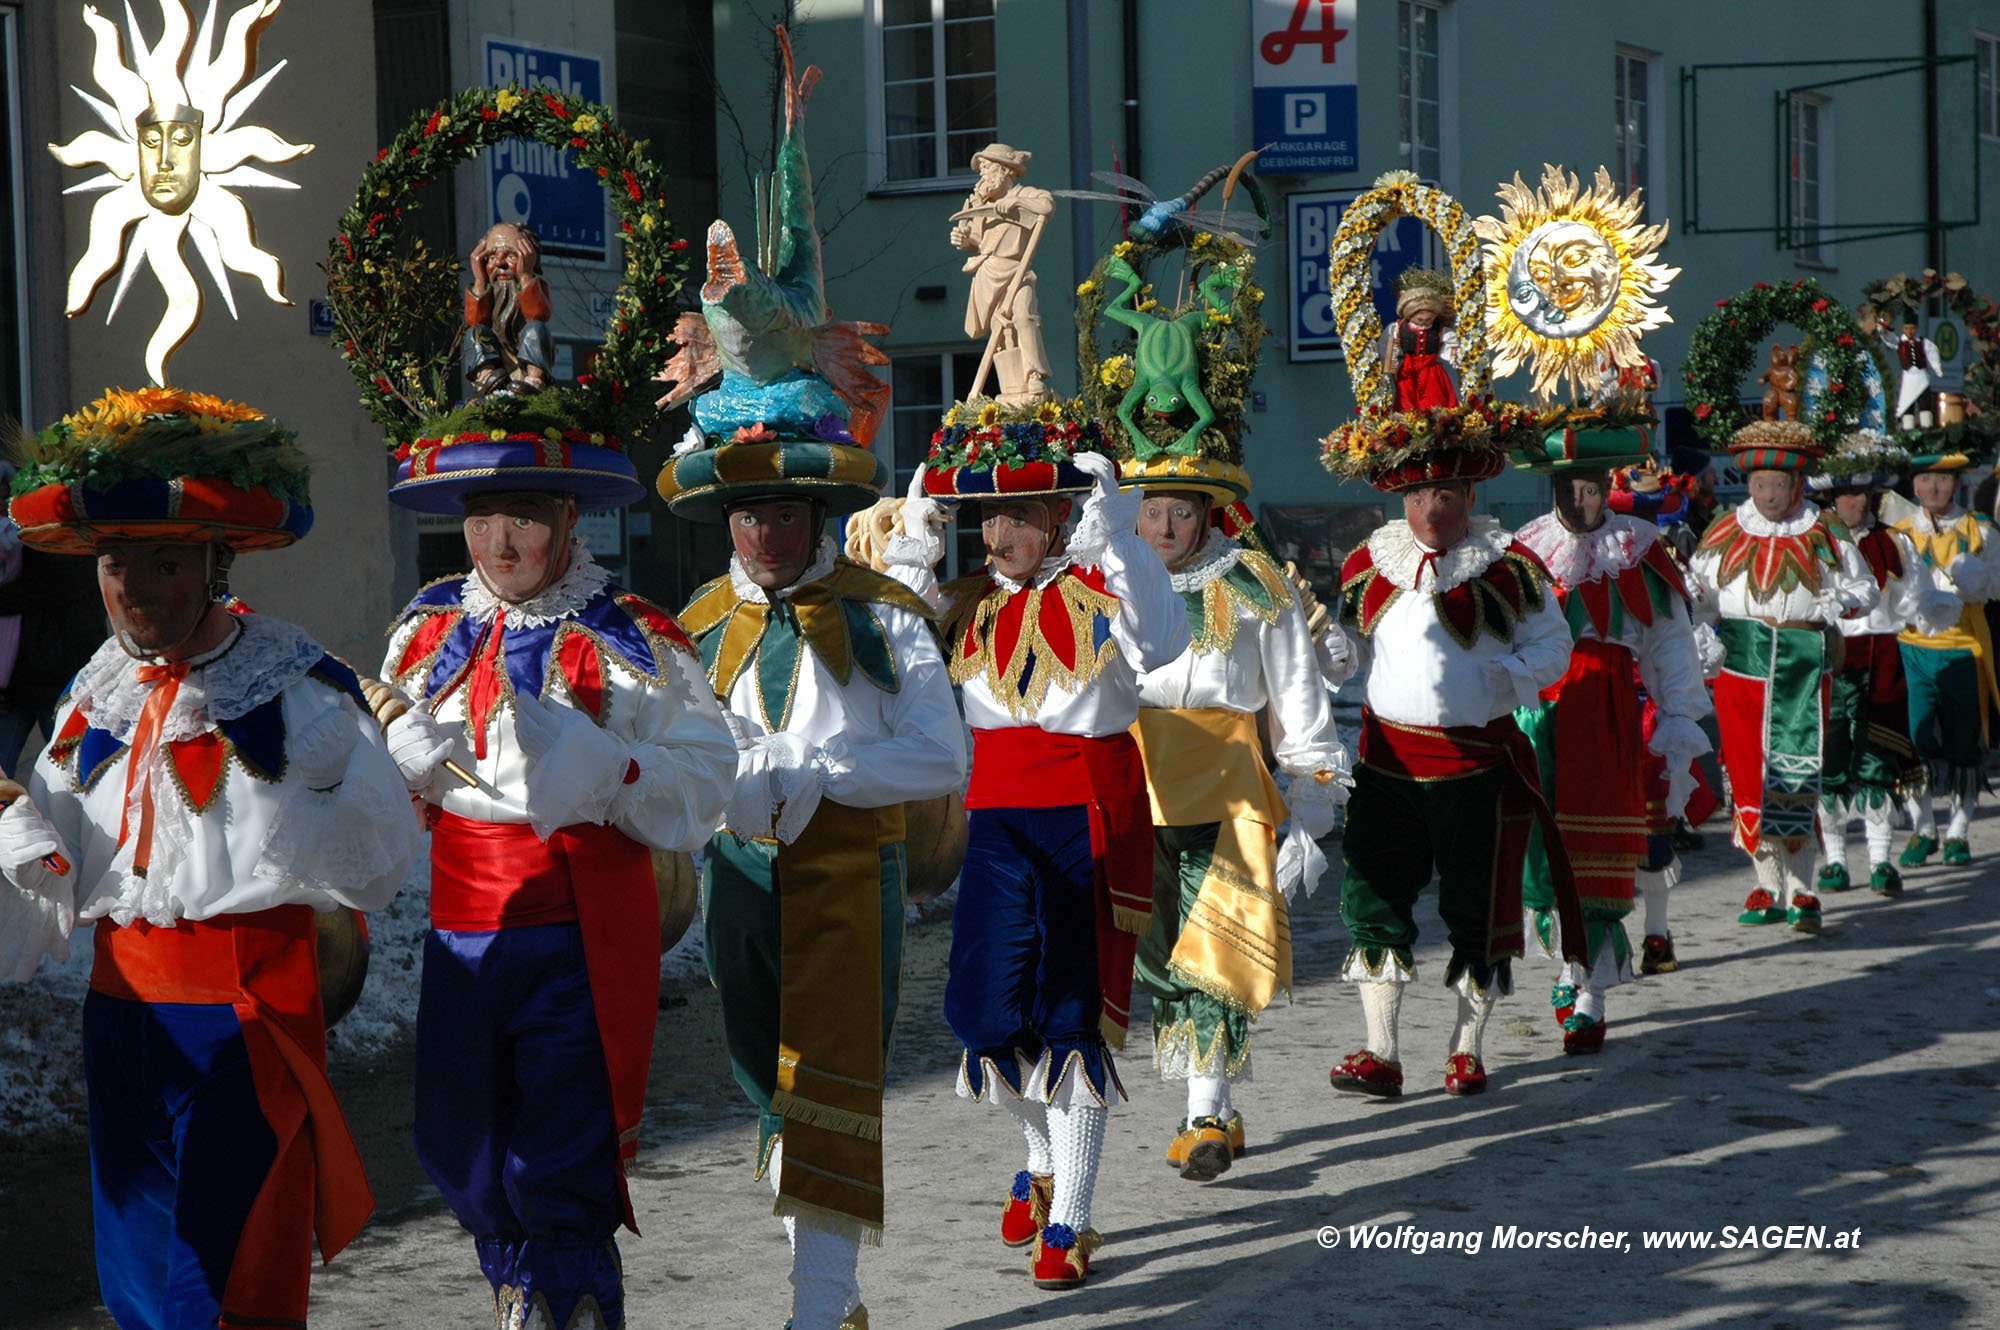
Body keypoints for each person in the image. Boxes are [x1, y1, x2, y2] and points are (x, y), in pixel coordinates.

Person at [0, 388, 422, 1330]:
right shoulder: (96, 686)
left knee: (224, 1285)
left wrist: (317, 792)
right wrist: (26, 836)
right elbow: (63, 853)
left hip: (240, 1018)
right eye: (115, 564)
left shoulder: (291, 683)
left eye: (163, 563)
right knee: (139, 1279)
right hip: (120, 1014)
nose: (134, 590)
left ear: (216, 562)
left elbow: (378, 863)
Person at [378, 430, 735, 1330]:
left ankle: (567, 1301)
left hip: (580, 925)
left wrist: (611, 771)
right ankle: (519, 1282)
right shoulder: (425, 629)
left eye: (525, 518)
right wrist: (392, 757)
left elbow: (706, 778)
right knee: (461, 1141)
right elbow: (356, 776)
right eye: (484, 517)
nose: (500, 543)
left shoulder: (635, 635)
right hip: (464, 925)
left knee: (562, 1150)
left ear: (570, 519)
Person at [659, 336, 966, 1328]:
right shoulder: (698, 620)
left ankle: (820, 1299)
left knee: (829, 1081)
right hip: (738, 875)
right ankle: (828, 1293)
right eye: (747, 513)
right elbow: (668, 751)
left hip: (847, 867)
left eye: (783, 511)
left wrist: (822, 772)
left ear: (818, 511)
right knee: (769, 1085)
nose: (764, 533)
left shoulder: (884, 617)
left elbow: (940, 758)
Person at [889, 438, 1188, 1289]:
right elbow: (895, 652)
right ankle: (1040, 1153)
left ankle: (1074, 1219)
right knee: (981, 1012)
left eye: (1018, 514)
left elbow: (1162, 645)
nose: (998, 533)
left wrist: (1121, 535)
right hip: (994, 821)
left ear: (1061, 518)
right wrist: (916, 540)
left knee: (1068, 1016)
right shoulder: (971, 603)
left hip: (1084, 817)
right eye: (988, 516)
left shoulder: (1104, 588)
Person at [1328, 443, 1577, 1099]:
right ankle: (1381, 1051)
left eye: (1443, 495)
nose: (1428, 509)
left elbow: (1557, 649)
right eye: (1415, 496)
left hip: (1477, 771)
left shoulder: (1512, 570)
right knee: (1374, 907)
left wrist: (1510, 677)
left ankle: (1467, 1048)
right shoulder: (1370, 563)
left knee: (1479, 913)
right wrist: (1326, 645)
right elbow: (1346, 653)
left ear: (1470, 497)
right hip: (1386, 768)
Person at [1125, 476, 1348, 1178]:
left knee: (1218, 952)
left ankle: (1206, 1113)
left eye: (1179, 513)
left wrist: (1310, 797)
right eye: (1150, 512)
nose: (1162, 529)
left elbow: (1298, 695)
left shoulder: (1255, 585)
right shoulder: (1107, 582)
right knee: (1158, 953)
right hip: (1137, 789)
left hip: (1227, 787)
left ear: (1207, 515)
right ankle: (1208, 1099)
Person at [1511, 436, 1711, 1053]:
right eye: (1570, 489)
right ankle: (1568, 967)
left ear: (1608, 488)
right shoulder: (1525, 551)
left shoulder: (1637, 551)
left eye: (1592, 488)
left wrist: (1677, 715)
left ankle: (1591, 992)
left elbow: (1671, 642)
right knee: (1542, 860)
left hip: (1605, 713)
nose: (1582, 500)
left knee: (1596, 857)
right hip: (1537, 714)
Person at [1687, 420, 1878, 931]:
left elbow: (1865, 587)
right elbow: (1699, 596)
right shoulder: (1725, 530)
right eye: (1761, 485)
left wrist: (1844, 600)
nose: (1771, 495)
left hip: (1802, 661)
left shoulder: (1823, 530)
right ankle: (1766, 883)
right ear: (1747, 485)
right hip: (1742, 664)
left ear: (1798, 485)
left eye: (1781, 485)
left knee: (1797, 771)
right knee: (1748, 774)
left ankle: (1802, 888)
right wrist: (1700, 635)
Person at [1807, 433, 1957, 895]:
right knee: (1829, 766)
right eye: (1849, 493)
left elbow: (1917, 596)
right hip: (1829, 661)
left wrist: (1939, 605)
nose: (1859, 502)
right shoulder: (1812, 543)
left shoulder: (1894, 543)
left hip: (1882, 659)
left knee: (1879, 764)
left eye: (1865, 494)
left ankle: (1879, 861)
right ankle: (1833, 861)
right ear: (1831, 498)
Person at [1890, 447, 2000, 867]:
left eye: (1943, 479)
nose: (1933, 487)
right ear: (1913, 486)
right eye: (1924, 479)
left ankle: (1958, 830)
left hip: (1964, 649)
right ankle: (1923, 827)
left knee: (1963, 744)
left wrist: (1972, 580)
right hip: (1911, 649)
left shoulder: (1981, 531)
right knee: (1913, 741)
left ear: (1957, 484)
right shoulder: (1899, 533)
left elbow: (1997, 585)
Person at [950, 143, 1055, 403]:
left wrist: (1015, 202)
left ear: (1005, 171)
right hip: (988, 272)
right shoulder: (982, 203)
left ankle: (1034, 376)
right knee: (1001, 334)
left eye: (986, 168)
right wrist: (965, 240)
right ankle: (1012, 387)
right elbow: (976, 239)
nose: (982, 176)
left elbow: (1047, 207)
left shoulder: (1027, 194)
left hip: (1017, 271)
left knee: (1023, 316)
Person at [464, 221, 556, 398]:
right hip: (498, 362)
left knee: (535, 329)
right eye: (491, 258)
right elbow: (474, 320)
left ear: (529, 257)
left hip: (527, 359)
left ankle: (534, 382)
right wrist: (480, 280)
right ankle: (486, 379)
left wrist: (524, 275)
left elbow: (538, 314)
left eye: (511, 256)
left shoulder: (537, 286)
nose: (500, 263)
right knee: (475, 332)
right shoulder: (489, 290)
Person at [1379, 268, 1459, 413]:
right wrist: (1391, 370)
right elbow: (1389, 349)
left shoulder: (1440, 331)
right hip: (1408, 373)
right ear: (1410, 315)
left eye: (1428, 319)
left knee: (1436, 402)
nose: (1424, 322)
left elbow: (1451, 347)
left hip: (1433, 373)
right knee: (1407, 403)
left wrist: (1456, 357)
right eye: (1420, 319)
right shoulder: (1398, 328)